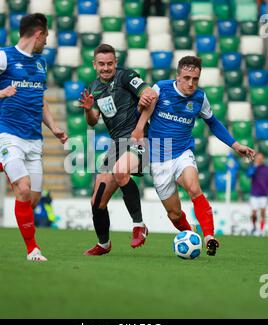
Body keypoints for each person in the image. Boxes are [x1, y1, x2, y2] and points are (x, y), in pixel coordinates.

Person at [133, 56, 256, 256]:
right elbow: (142, 111)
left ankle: (209, 236)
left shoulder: (200, 98)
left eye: (195, 79)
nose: (191, 83)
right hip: (158, 158)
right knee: (173, 214)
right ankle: (191, 234)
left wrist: (235, 145)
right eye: (187, 78)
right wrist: (138, 125)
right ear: (178, 76)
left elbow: (213, 122)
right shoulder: (161, 88)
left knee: (193, 187)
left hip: (182, 152)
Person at [0, 13, 68, 261]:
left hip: (33, 139)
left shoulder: (41, 63)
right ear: (38, 33)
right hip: (6, 133)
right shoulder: (4, 55)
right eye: (46, 36)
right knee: (23, 189)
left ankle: (1, 165)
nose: (47, 41)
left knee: (32, 200)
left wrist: (54, 127)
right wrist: (0, 93)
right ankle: (33, 249)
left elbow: (40, 99)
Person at [79, 43, 157, 256]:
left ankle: (139, 225)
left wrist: (140, 127)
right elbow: (94, 121)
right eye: (101, 64)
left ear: (116, 63)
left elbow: (150, 93)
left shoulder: (125, 77)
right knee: (96, 201)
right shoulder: (94, 87)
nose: (106, 68)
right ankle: (104, 244)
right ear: (94, 65)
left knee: (120, 171)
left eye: (110, 64)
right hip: (117, 145)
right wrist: (88, 110)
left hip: (139, 139)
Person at [247, 152, 268, 235]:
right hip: (254, 194)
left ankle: (262, 230)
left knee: (263, 212)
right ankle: (254, 227)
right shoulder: (253, 168)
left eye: (261, 158)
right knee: (254, 213)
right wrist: (255, 167)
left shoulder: (266, 169)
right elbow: (248, 174)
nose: (259, 159)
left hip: (263, 194)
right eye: (258, 158)